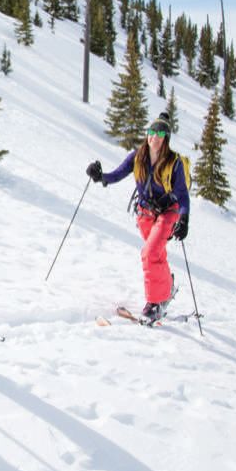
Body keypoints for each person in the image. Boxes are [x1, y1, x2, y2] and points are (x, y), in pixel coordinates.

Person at [86, 112, 189, 323]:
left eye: (160, 133)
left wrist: (184, 219)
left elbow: (183, 195)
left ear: (166, 138)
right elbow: (116, 175)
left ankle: (154, 304)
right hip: (145, 214)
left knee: (150, 252)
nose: (155, 137)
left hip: (168, 213)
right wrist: (99, 176)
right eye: (152, 131)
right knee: (156, 253)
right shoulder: (138, 156)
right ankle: (167, 287)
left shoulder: (174, 163)